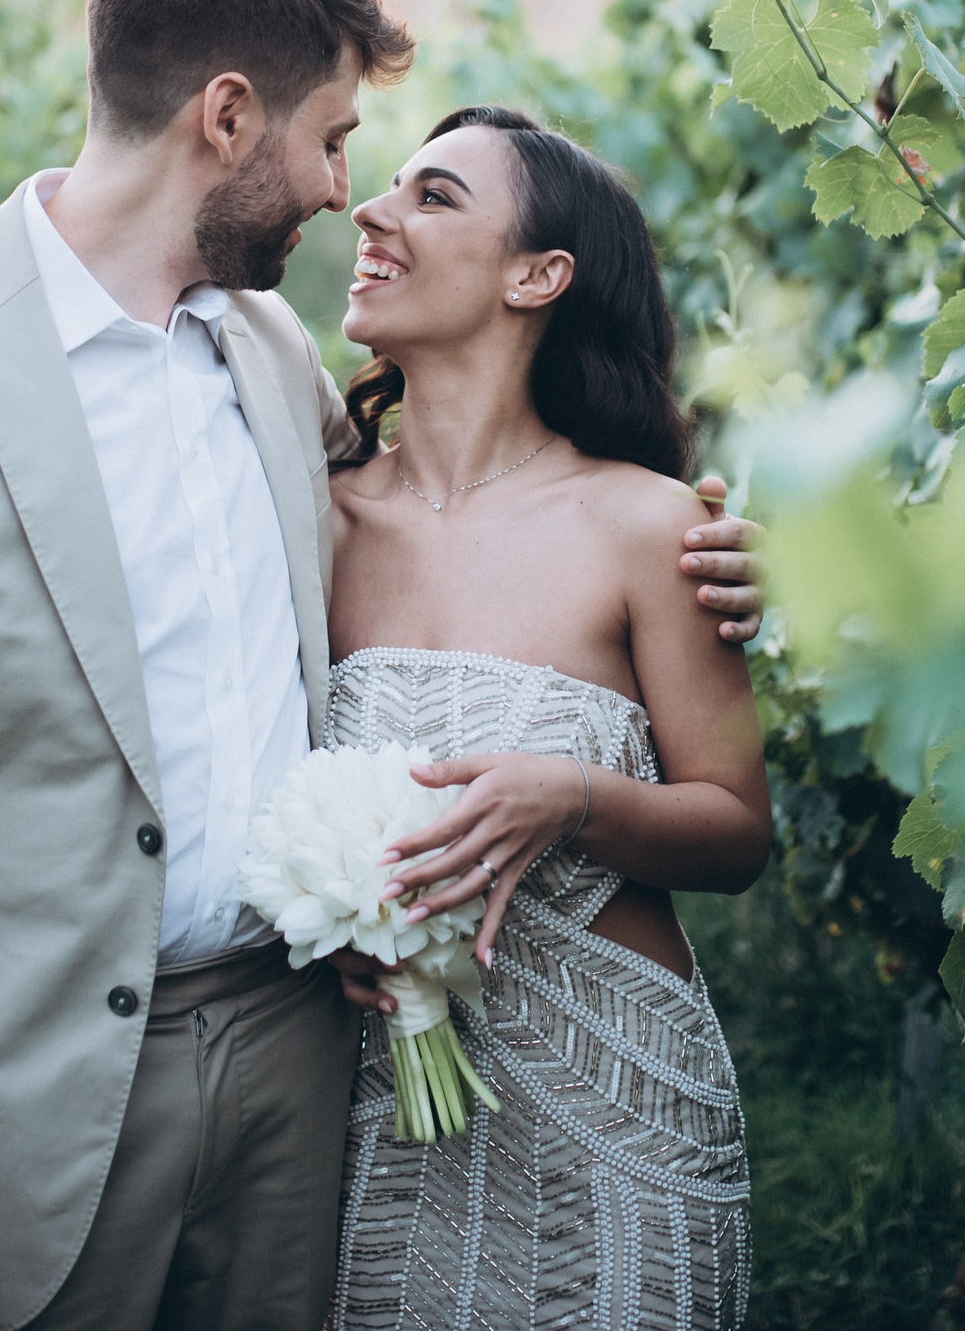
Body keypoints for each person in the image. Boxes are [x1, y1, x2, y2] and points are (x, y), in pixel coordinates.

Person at [0, 0, 767, 1331]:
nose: (344, 193)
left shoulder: (272, 359)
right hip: (29, 1095)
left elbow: (490, 522)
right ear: (225, 116)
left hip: (305, 1074)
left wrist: (723, 565)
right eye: (333, 139)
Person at [322, 107, 771, 1331]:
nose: (371, 210)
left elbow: (737, 832)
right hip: (374, 1110)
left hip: (616, 1105)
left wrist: (569, 796)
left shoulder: (651, 524)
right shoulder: (314, 520)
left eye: (433, 196)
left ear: (539, 275)